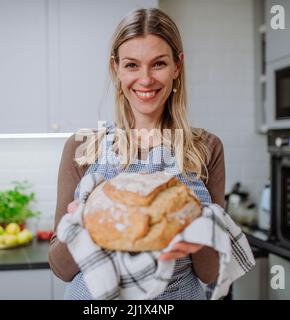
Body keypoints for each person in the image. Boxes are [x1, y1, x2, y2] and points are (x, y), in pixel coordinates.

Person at [49, 7, 225, 300]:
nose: (145, 80)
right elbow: (60, 269)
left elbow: (211, 273)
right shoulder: (82, 148)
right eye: (132, 65)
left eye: (158, 64)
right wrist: (88, 223)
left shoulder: (205, 148)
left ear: (177, 67)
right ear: (115, 68)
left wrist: (196, 230)